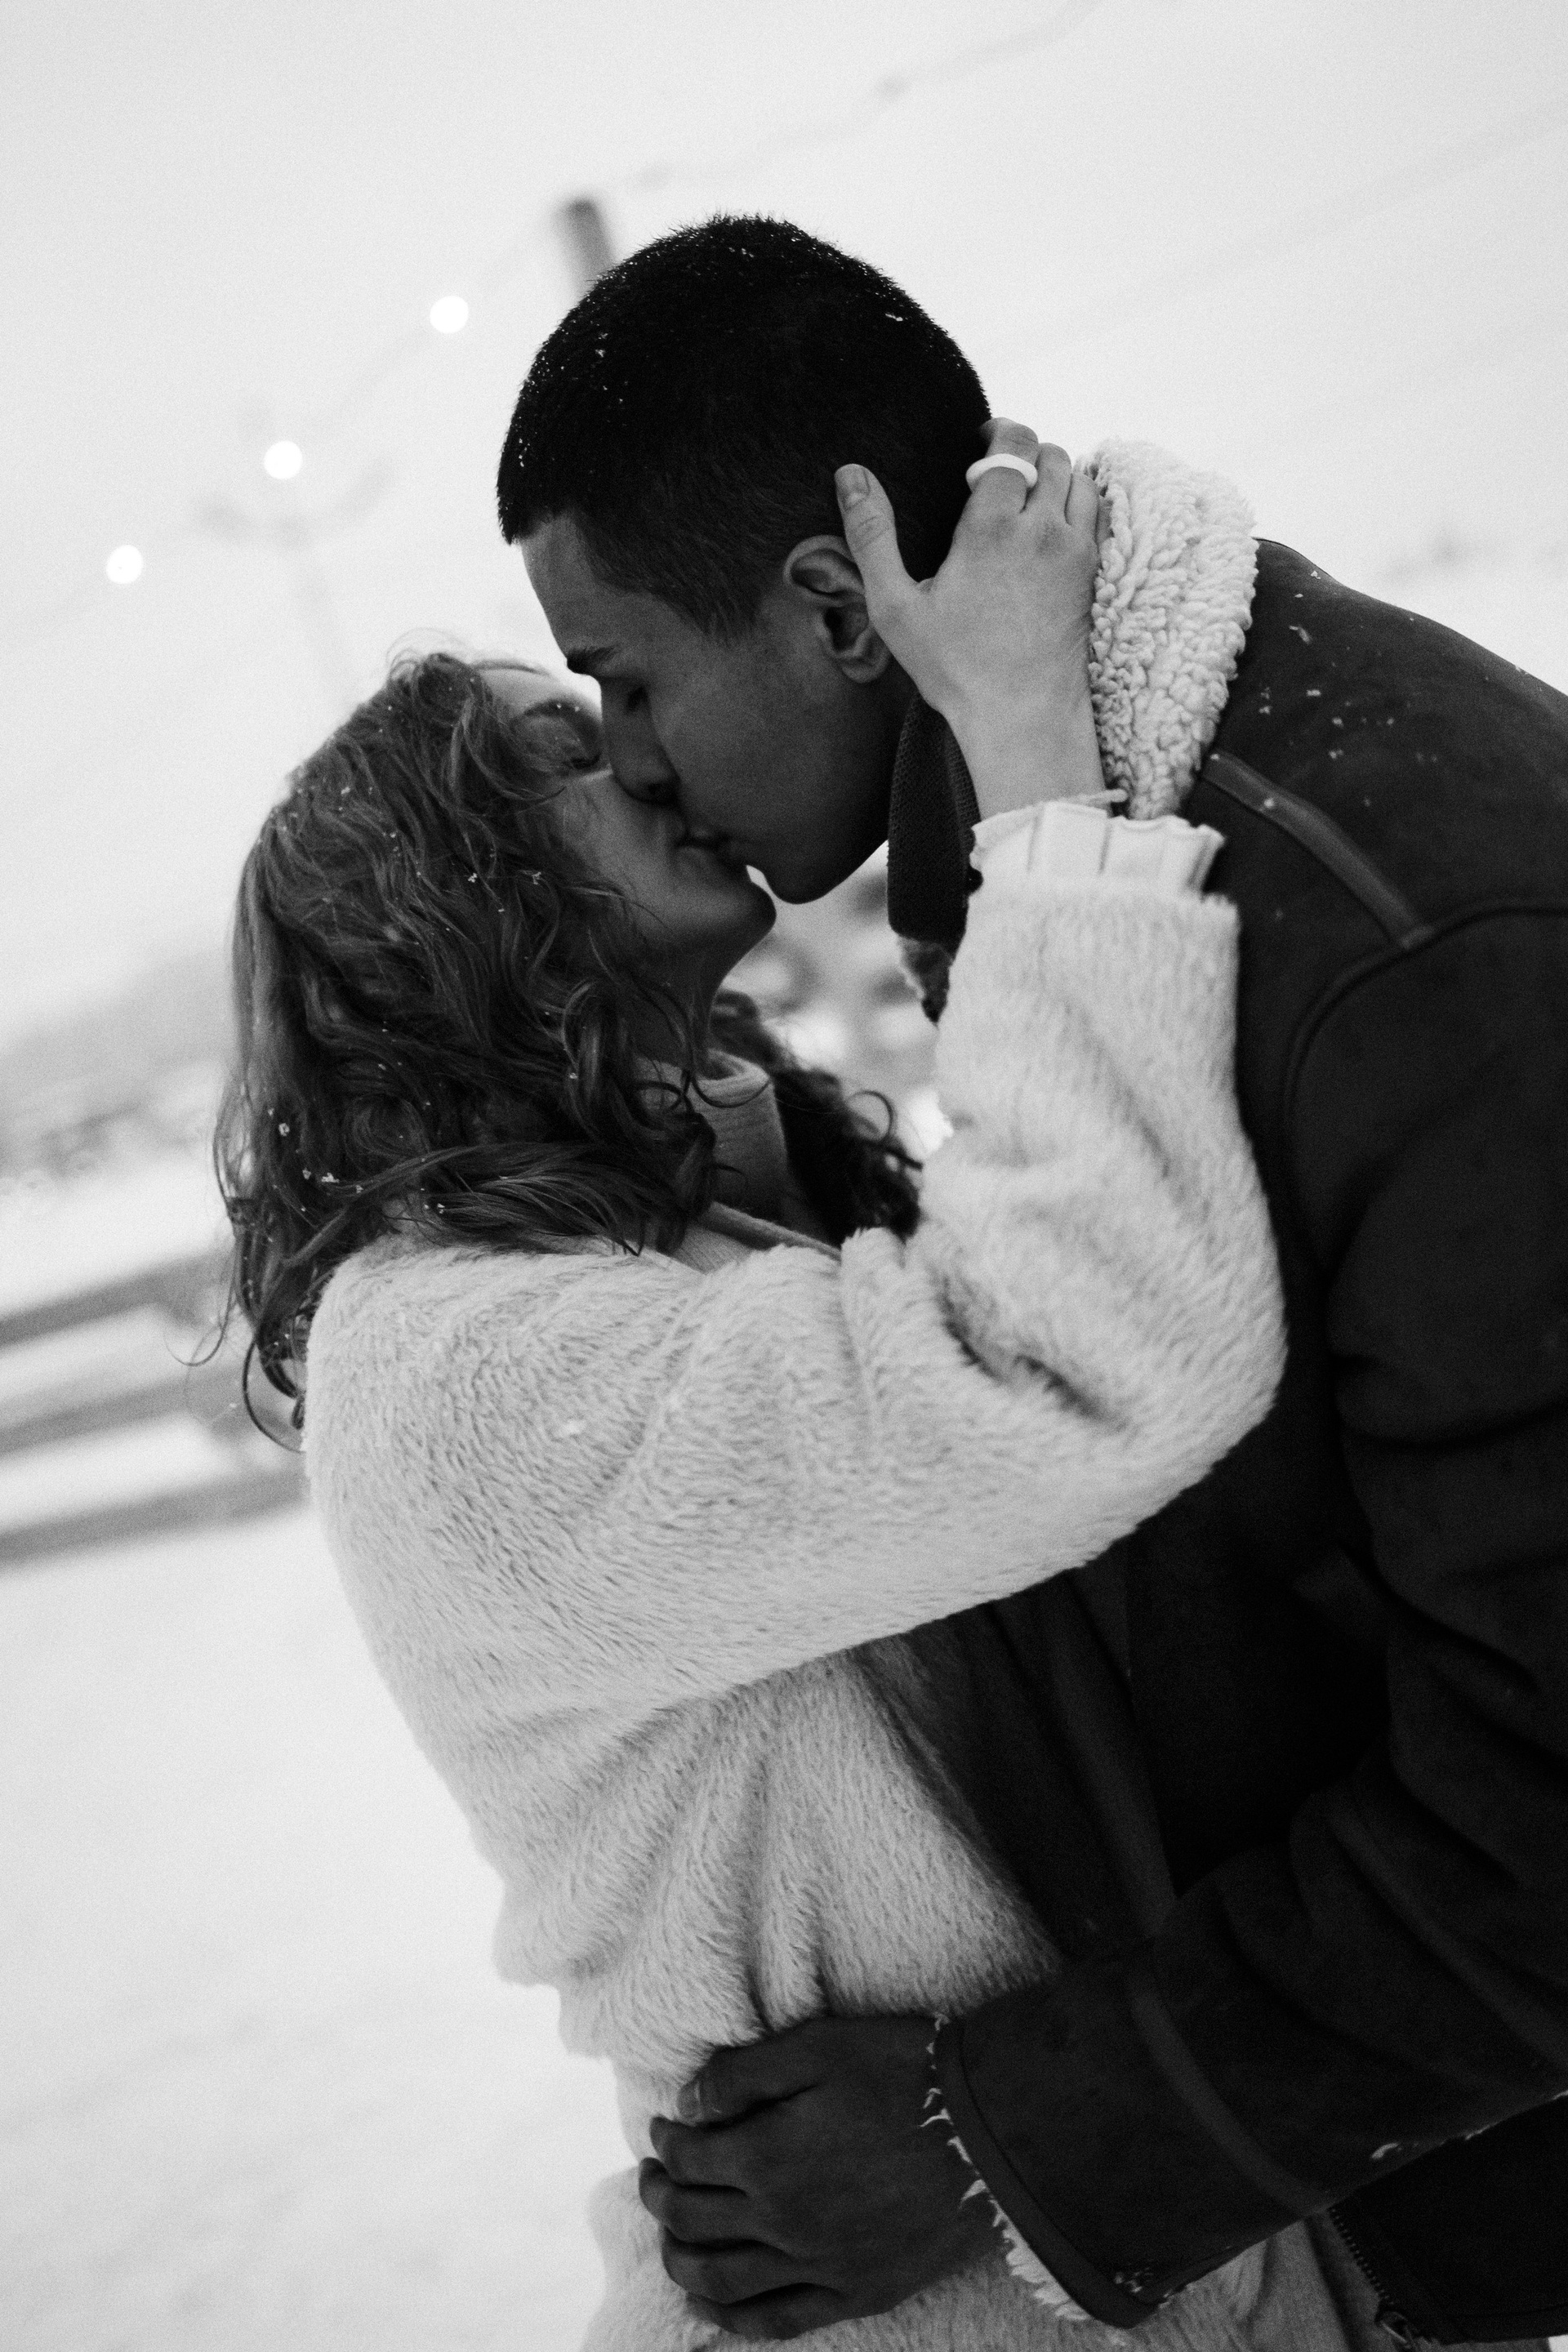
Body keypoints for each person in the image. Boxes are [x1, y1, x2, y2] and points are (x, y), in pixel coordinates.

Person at [496, 215, 1568, 2346]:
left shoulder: (1393, 943)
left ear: (834, 612)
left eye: (627, 679)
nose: (627, 759)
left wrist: (1007, 2138)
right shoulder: (1105, 821)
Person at [219, 459, 1298, 2350]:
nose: (647, 757)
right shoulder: (454, 1374)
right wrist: (1032, 759)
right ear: (450, 901)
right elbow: (1076, 1358)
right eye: (567, 754)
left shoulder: (728, 1193)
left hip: (1104, 2248)